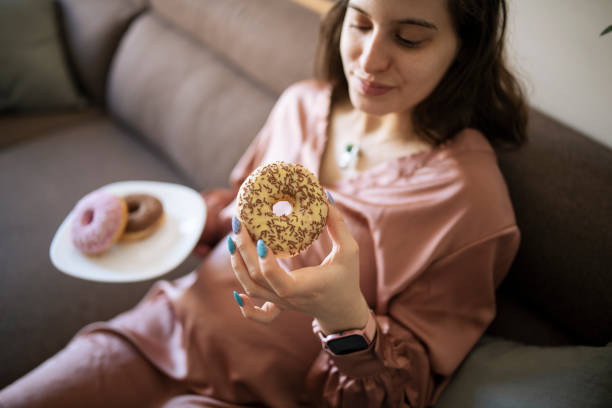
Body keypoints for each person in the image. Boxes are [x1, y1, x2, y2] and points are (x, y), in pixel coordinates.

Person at [0, 0, 527, 407]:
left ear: (465, 46)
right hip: (166, 328)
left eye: (409, 38)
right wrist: (186, 222)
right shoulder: (301, 104)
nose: (369, 60)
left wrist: (345, 316)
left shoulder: (469, 201)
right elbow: (240, 211)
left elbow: (402, 391)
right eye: (360, 23)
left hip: (264, 396)